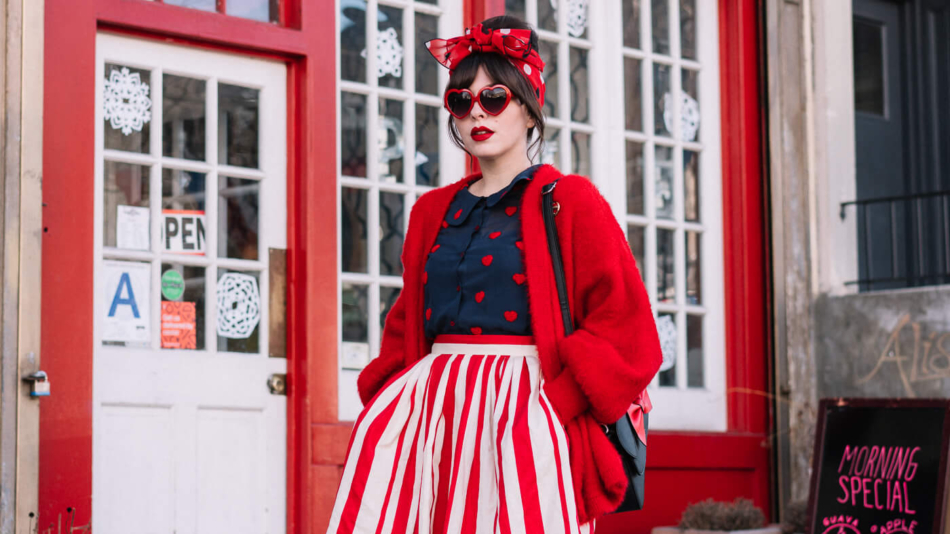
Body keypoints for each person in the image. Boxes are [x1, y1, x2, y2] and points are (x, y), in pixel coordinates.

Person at [327, 15, 662, 534]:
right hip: (432, 419)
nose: (475, 113)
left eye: (494, 98)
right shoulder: (432, 211)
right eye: (461, 101)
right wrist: (389, 404)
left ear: (530, 109)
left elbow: (629, 329)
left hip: (527, 412)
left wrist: (550, 408)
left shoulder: (569, 202)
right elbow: (406, 325)